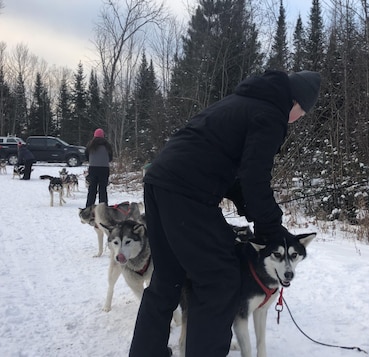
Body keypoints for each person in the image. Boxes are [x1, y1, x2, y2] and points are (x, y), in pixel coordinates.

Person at [128, 70, 321, 357]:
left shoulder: (241, 102)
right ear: (296, 104)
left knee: (168, 277)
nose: (297, 119)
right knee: (219, 278)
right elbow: (255, 176)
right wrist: (270, 227)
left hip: (160, 181)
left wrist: (254, 211)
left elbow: (229, 168)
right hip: (187, 191)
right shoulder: (271, 114)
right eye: (301, 113)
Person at [84, 128, 113, 207]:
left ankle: (89, 208)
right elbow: (110, 158)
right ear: (103, 136)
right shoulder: (108, 146)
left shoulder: (90, 145)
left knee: (92, 189)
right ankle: (103, 209)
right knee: (103, 190)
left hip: (93, 168)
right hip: (104, 169)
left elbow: (86, 157)